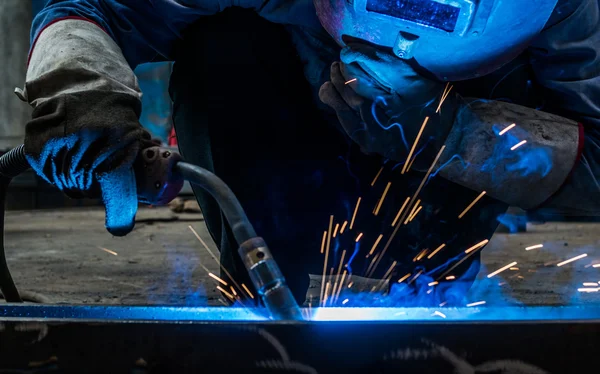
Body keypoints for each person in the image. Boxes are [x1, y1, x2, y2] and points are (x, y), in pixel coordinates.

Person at [18, 0, 600, 306]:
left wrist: (454, 129)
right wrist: (80, 88)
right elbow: (92, 6)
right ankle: (261, 282)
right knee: (221, 45)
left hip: (433, 200)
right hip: (282, 173)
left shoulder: (570, 13)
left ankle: (434, 283)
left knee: (519, 98)